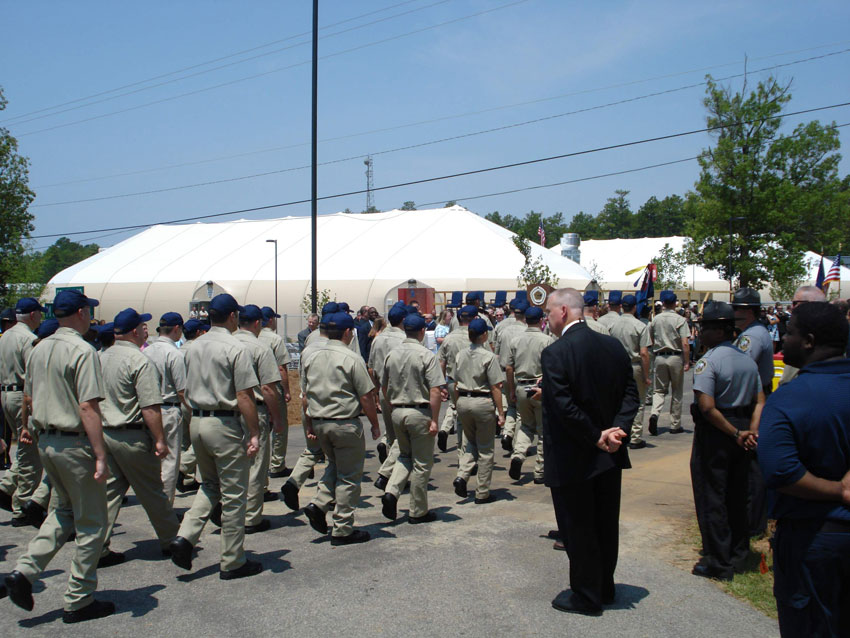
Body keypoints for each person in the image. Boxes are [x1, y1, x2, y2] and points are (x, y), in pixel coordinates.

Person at [3, 289, 115, 623]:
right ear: (80, 313)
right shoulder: (83, 350)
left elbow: (29, 397)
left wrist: (27, 428)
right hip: (75, 442)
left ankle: (24, 571)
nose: (91, 318)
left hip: (47, 440)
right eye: (89, 312)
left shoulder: (39, 348)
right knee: (93, 523)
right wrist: (100, 454)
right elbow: (88, 405)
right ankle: (79, 598)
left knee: (63, 510)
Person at [539, 288, 638, 616]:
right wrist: (618, 430)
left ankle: (585, 594)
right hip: (610, 450)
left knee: (577, 526)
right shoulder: (612, 346)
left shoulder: (556, 352)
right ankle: (604, 586)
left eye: (549, 313)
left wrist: (596, 435)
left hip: (575, 454)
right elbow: (630, 394)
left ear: (564, 311)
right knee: (605, 523)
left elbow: (565, 406)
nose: (547, 319)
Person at [758, 302, 850, 637]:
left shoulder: (789, 398)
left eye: (791, 332)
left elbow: (780, 471)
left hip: (812, 538)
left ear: (809, 341)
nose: (784, 336)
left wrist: (839, 491)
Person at [169, 293, 262, 580]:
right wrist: (255, 432)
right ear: (233, 316)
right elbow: (244, 394)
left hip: (197, 420)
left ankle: (185, 536)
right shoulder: (235, 347)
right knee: (234, 494)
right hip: (224, 423)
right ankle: (232, 560)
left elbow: (183, 388)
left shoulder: (193, 346)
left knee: (210, 485)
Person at [98, 308, 179, 565]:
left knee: (109, 494)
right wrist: (160, 439)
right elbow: (149, 406)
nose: (147, 329)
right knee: (153, 492)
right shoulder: (138, 360)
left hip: (105, 431)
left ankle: (97, 546)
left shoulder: (100, 357)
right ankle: (172, 541)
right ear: (134, 331)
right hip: (131, 434)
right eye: (144, 326)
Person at [689, 302, 763, 581]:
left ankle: (718, 561)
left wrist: (733, 433)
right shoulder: (746, 359)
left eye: (704, 328)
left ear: (719, 331)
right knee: (737, 492)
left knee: (712, 495)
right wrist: (750, 431)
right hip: (743, 427)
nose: (701, 333)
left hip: (718, 431)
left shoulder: (710, 361)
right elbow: (760, 400)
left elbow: (706, 407)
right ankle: (739, 551)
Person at [301, 312, 380, 545]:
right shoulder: (351, 358)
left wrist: (309, 423)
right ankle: (343, 528)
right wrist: (375, 424)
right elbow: (366, 395)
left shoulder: (311, 356)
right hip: (344, 422)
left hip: (320, 421)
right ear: (347, 333)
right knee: (349, 476)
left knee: (334, 466)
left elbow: (305, 396)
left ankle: (319, 502)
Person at [380, 313, 445, 523]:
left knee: (404, 455)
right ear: (422, 331)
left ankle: (391, 491)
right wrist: (435, 419)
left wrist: (392, 403)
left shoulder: (393, 354)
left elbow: (384, 384)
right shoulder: (426, 355)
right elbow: (435, 389)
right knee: (422, 463)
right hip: (419, 412)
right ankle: (418, 510)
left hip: (398, 410)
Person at [233, 305, 283, 534]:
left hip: (226, 413)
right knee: (255, 464)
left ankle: (229, 511)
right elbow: (268, 388)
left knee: (233, 465)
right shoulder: (260, 347)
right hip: (254, 408)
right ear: (257, 323)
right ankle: (251, 516)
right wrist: (277, 417)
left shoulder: (226, 343)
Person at [731, 287, 774, 537]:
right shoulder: (751, 332)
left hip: (753, 399)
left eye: (738, 308)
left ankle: (754, 522)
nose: (735, 312)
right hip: (753, 395)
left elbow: (740, 365)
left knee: (751, 462)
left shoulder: (752, 337)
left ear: (748, 311)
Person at [0, 298, 44, 526]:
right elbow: (33, 374)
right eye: (40, 313)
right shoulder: (27, 338)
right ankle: (22, 506)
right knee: (30, 452)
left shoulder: (5, 335)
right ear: (33, 315)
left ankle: (7, 486)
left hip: (6, 392)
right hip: (22, 394)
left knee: (24, 450)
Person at [452, 318, 505, 503]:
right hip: (482, 401)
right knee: (485, 449)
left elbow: (454, 382)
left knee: (469, 443)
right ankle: (482, 491)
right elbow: (496, 387)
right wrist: (501, 412)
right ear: (484, 335)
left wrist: (457, 403)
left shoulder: (460, 354)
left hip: (463, 400)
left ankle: (462, 474)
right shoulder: (488, 357)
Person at [505, 306, 555, 483]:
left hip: (521, 385)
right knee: (543, 430)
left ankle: (518, 455)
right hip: (539, 388)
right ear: (542, 320)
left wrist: (511, 389)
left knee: (526, 426)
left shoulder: (515, 340)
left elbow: (509, 367)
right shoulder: (547, 340)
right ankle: (540, 471)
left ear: (525, 320)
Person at [142, 311, 187, 503]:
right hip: (168, 409)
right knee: (169, 462)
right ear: (176, 329)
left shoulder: (146, 351)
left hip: (147, 408)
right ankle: (166, 506)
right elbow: (182, 390)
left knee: (153, 462)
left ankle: (154, 503)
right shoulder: (174, 354)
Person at [367, 303, 407, 488]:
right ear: (404, 320)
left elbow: (371, 368)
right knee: (405, 438)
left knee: (391, 436)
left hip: (384, 391)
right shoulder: (405, 339)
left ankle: (391, 473)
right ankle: (392, 474)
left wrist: (376, 392)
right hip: (402, 392)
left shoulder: (378, 339)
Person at [609, 294, 652, 449]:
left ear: (622, 307)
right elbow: (644, 353)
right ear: (634, 308)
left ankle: (617, 431)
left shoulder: (614, 325)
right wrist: (647, 376)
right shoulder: (640, 326)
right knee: (638, 401)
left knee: (617, 400)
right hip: (634, 366)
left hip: (615, 366)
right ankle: (635, 437)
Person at [648, 290, 690, 435]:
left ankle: (654, 413)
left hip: (659, 356)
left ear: (663, 303)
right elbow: (685, 343)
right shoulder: (680, 320)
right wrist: (687, 361)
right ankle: (675, 424)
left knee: (659, 390)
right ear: (674, 303)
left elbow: (650, 340)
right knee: (677, 391)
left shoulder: (655, 319)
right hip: (675, 356)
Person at [437, 305, 477, 455]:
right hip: (474, 382)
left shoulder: (448, 338)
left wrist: (442, 384)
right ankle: (469, 453)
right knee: (474, 420)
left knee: (458, 413)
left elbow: (441, 361)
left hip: (453, 381)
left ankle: (462, 452)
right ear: (474, 319)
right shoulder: (476, 335)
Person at [259, 307, 293, 481]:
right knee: (279, 426)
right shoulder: (274, 339)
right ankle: (277, 463)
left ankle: (259, 465)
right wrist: (286, 390)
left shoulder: (250, 337)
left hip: (251, 389)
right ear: (270, 320)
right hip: (272, 386)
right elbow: (281, 367)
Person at [176, 318, 208, 492]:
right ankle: (182, 468)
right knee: (200, 442)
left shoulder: (179, 350)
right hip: (195, 400)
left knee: (185, 442)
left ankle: (187, 478)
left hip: (180, 401)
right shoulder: (199, 350)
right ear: (198, 333)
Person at [496, 300, 529, 452]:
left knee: (510, 406)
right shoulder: (527, 331)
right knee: (523, 412)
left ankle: (507, 432)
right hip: (522, 374)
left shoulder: (503, 331)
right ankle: (518, 445)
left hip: (504, 372)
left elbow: (496, 353)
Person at [778, 286, 827, 386]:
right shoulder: (833, 329)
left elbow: (787, 381)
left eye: (796, 303)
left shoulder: (803, 333)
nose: (792, 307)